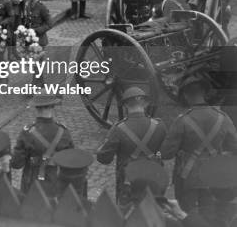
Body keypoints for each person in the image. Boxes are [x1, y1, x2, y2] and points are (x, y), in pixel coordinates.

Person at [160, 74, 237, 214]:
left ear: (185, 95)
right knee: (210, 216)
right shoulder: (222, 118)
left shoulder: (182, 121)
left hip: (187, 177)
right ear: (204, 93)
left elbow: (166, 153)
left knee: (186, 216)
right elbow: (235, 147)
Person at [96, 87, 167, 207]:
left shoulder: (118, 129)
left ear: (125, 106)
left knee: (127, 216)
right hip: (154, 178)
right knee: (154, 215)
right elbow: (166, 152)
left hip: (128, 182)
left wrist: (100, 148)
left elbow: (104, 158)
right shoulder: (159, 126)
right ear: (145, 104)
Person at [11, 93, 74, 197]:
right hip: (56, 185)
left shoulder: (27, 132)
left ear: (36, 107)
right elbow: (71, 163)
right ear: (53, 106)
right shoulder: (64, 132)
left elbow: (16, 164)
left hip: (31, 185)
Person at [122, 160, 212, 227]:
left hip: (133, 160)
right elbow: (164, 152)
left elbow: (167, 151)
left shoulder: (117, 220)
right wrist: (181, 214)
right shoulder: (170, 224)